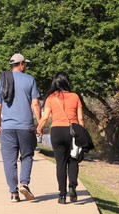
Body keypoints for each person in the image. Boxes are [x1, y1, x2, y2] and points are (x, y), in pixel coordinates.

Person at [0, 53, 41, 202]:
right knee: (27, 156)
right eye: (24, 64)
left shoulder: (2, 80)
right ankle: (24, 183)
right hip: (26, 127)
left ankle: (13, 193)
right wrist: (40, 123)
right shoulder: (30, 79)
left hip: (7, 128)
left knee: (9, 161)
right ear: (20, 64)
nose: (25, 66)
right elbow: (35, 104)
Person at [36, 72, 84, 204]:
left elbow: (45, 117)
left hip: (56, 131)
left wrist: (39, 129)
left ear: (55, 83)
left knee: (60, 164)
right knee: (73, 160)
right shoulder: (75, 96)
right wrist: (81, 132)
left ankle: (62, 195)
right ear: (67, 82)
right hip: (72, 131)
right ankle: (72, 186)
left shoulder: (51, 98)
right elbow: (80, 118)